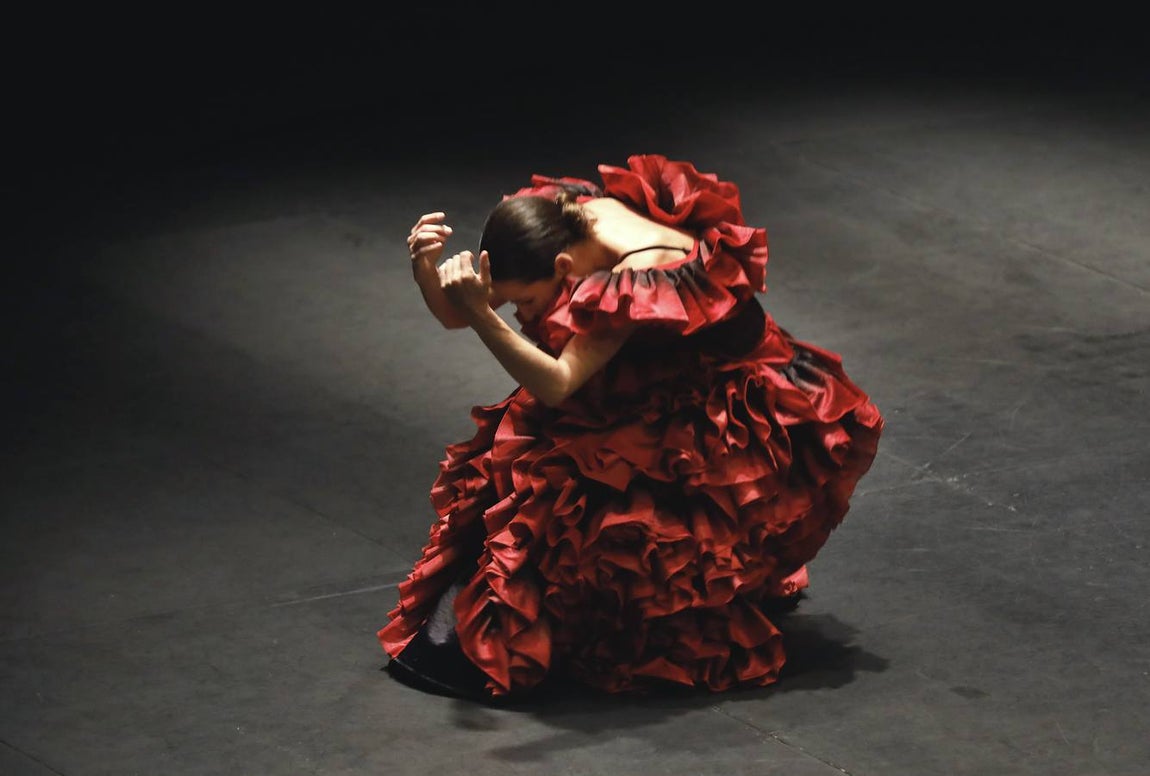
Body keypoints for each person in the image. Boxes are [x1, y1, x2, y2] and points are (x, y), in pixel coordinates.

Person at [378, 154, 884, 703]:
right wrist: (426, 270)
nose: (522, 315)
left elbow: (557, 381)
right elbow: (459, 312)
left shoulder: (641, 272)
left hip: (724, 397)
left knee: (615, 516)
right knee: (537, 468)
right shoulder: (548, 224)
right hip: (651, 374)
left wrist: (484, 316)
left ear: (565, 269)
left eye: (527, 302)